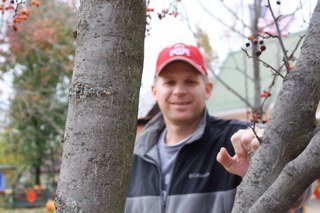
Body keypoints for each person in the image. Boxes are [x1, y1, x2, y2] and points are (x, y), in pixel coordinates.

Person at [125, 43, 299, 213]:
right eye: (170, 83)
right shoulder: (130, 156)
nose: (179, 91)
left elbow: (297, 193)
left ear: (207, 89)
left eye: (190, 82)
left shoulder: (238, 143)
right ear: (155, 91)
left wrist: (271, 153)